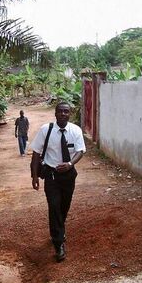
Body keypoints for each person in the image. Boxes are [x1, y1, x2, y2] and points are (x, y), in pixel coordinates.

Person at [30, 102, 86, 262]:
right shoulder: (45, 130)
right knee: (54, 206)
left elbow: (80, 151)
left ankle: (59, 228)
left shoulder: (75, 131)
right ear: (55, 113)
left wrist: (70, 164)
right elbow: (36, 153)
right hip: (51, 175)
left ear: (69, 114)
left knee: (64, 206)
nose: (63, 114)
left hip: (68, 175)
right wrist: (34, 176)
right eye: (60, 111)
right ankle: (58, 243)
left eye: (66, 112)